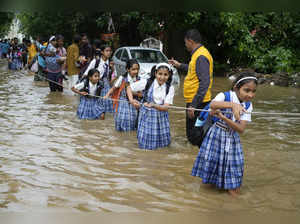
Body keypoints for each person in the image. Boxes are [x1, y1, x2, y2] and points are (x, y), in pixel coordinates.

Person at [191, 73, 258, 197]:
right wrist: (233, 105)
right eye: (246, 90)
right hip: (216, 135)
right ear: (236, 88)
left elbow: (241, 129)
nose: (250, 95)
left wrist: (223, 117)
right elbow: (212, 105)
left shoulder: (248, 105)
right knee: (211, 170)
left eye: (253, 91)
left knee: (235, 169)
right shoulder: (225, 96)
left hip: (232, 138)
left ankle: (232, 197)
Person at [168, 29, 213, 145]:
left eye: (185, 43)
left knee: (194, 136)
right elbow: (193, 70)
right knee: (194, 134)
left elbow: (205, 82)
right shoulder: (198, 55)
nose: (185, 45)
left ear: (190, 41)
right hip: (196, 101)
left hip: (198, 102)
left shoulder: (201, 56)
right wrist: (179, 65)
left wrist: (194, 104)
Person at [128, 63, 175, 150]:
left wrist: (153, 105)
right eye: (160, 74)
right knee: (145, 144)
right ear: (155, 73)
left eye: (165, 75)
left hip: (162, 118)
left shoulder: (170, 88)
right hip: (147, 117)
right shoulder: (147, 82)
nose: (162, 77)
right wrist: (132, 101)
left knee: (162, 145)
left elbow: (166, 107)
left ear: (169, 75)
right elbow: (129, 88)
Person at [104, 59, 142, 131]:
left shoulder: (139, 79)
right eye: (133, 69)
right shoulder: (122, 78)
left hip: (134, 103)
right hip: (123, 102)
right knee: (122, 120)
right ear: (128, 69)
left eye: (137, 69)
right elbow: (113, 88)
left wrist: (136, 94)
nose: (136, 71)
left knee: (133, 121)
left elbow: (141, 93)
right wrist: (107, 95)